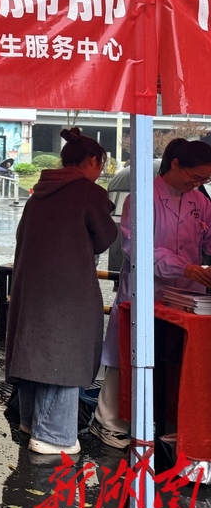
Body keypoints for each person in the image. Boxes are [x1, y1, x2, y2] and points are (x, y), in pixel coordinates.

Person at [91, 138, 211, 450]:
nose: (198, 183)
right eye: (195, 176)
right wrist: (183, 268)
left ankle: (167, 425)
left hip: (187, 294)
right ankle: (108, 422)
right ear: (176, 164)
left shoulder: (200, 201)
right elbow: (138, 248)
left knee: (177, 360)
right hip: (148, 288)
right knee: (127, 354)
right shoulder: (142, 198)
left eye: (205, 179)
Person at [5, 127, 116, 456]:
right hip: (68, 290)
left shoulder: (38, 192)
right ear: (92, 160)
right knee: (64, 353)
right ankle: (53, 434)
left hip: (31, 286)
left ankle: (30, 422)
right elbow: (105, 237)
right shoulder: (88, 192)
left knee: (34, 351)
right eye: (101, 164)